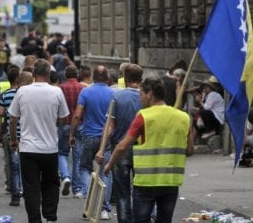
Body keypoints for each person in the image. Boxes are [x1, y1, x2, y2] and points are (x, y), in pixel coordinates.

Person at [104, 76, 194, 223]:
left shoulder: (144, 116)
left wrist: (111, 164)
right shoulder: (183, 117)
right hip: (170, 182)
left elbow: (122, 146)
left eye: (141, 95)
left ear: (150, 94)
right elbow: (190, 150)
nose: (140, 99)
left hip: (146, 183)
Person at [8, 59, 69, 223]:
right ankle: (50, 217)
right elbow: (64, 118)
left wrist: (14, 140)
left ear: (33, 74)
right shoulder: (56, 92)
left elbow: (13, 119)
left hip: (27, 148)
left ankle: (34, 220)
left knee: (30, 187)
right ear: (49, 75)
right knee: (51, 184)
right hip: (49, 148)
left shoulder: (22, 91)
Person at [69, 65, 115, 220]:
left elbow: (77, 115)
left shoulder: (86, 92)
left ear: (93, 77)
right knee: (105, 172)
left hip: (89, 136)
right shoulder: (113, 93)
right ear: (108, 78)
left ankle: (91, 203)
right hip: (106, 138)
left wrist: (72, 134)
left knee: (84, 169)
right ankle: (105, 209)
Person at [101, 63, 143, 223]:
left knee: (122, 192)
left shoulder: (117, 96)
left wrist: (101, 149)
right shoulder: (146, 97)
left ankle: (125, 220)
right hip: (142, 148)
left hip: (120, 148)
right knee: (141, 189)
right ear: (140, 79)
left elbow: (110, 126)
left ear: (124, 78)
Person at [0, 66, 23, 206]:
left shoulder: (5, 95)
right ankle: (25, 189)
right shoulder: (25, 94)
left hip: (12, 133)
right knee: (26, 164)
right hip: (26, 134)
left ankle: (15, 193)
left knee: (13, 164)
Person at [57, 65, 85, 198]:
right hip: (80, 124)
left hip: (64, 124)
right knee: (78, 157)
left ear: (66, 75)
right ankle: (78, 189)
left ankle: (65, 176)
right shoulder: (83, 88)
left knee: (62, 153)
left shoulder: (60, 88)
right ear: (77, 74)